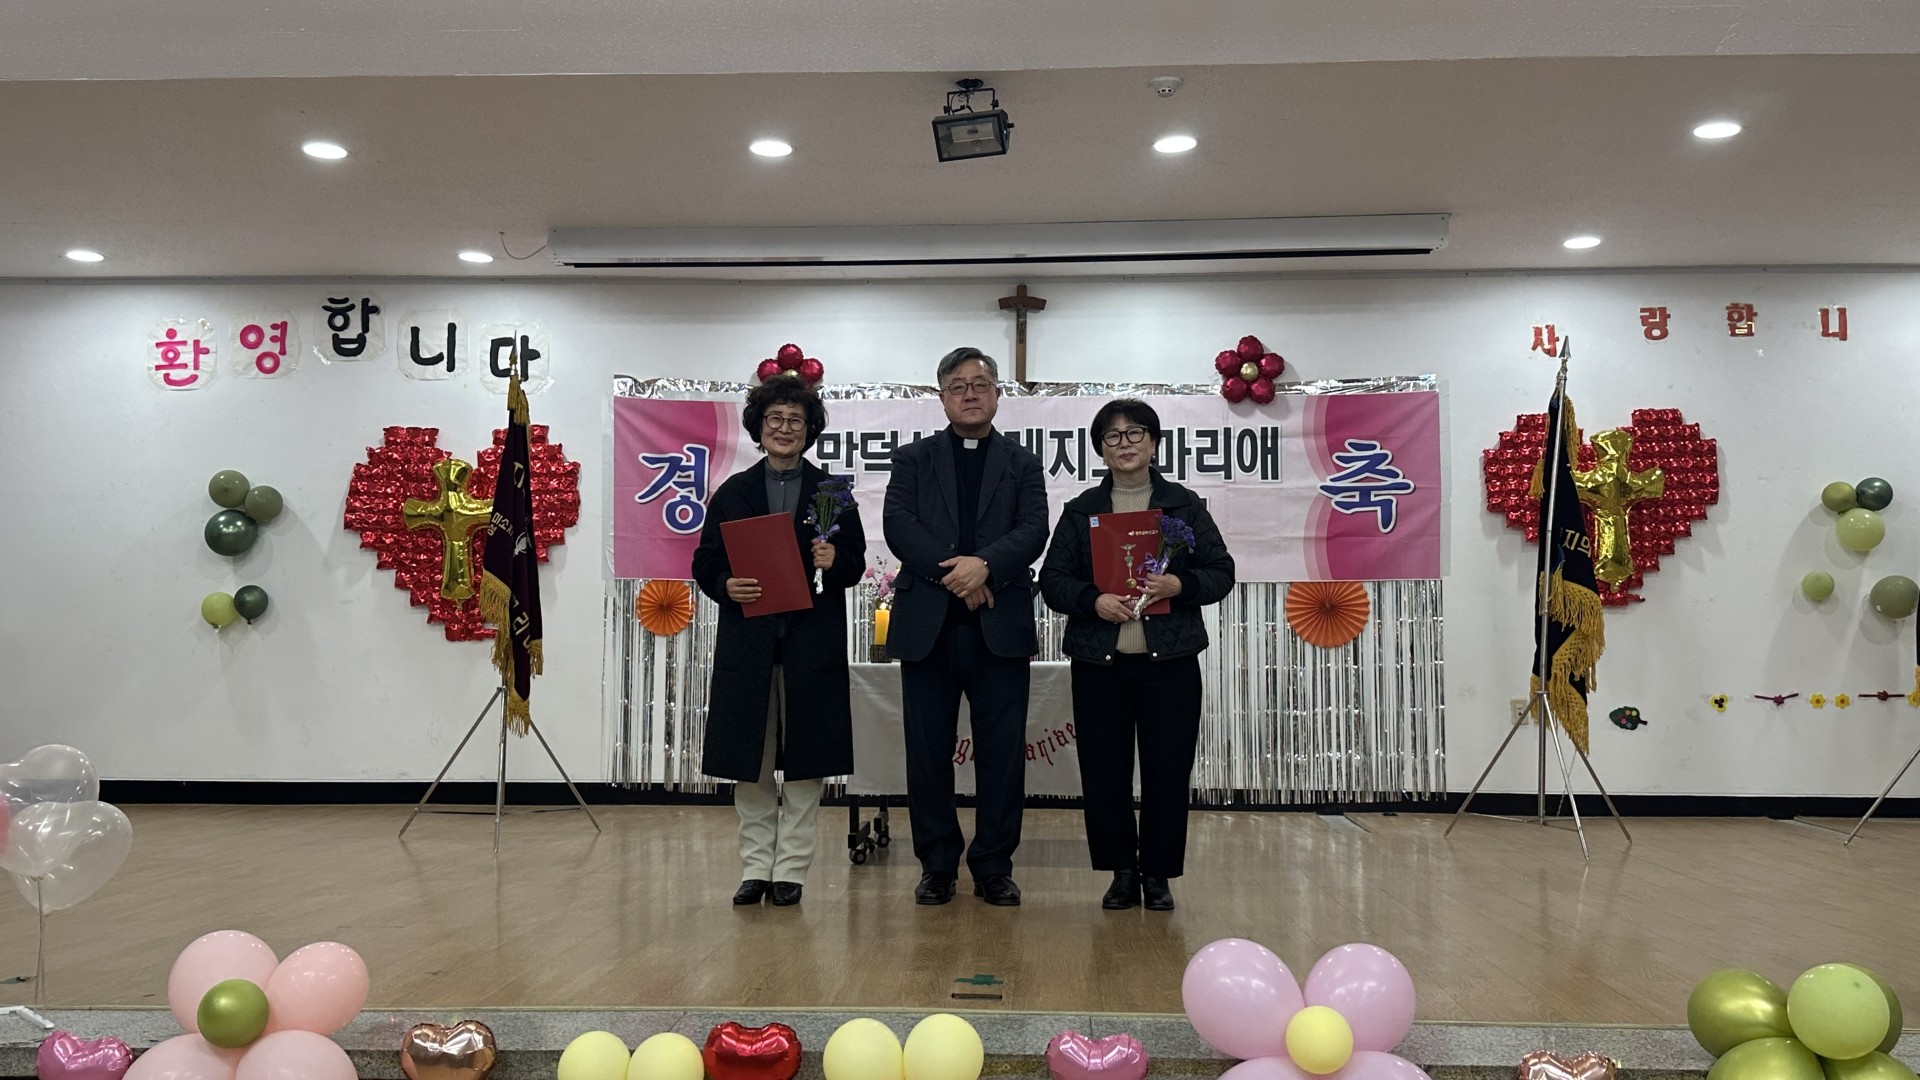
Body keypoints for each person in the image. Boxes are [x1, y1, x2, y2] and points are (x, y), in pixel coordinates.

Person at [1039, 398, 1235, 911]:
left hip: (1169, 664)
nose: (1124, 444)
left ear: (1153, 442)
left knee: (1167, 769)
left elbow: (1221, 572)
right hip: (1100, 663)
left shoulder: (1183, 506)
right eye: (1112, 436)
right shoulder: (1082, 510)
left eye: (1135, 433)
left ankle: (1158, 873)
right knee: (1104, 770)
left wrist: (1179, 584)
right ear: (1100, 449)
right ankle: (1121, 871)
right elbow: (1053, 581)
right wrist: (1092, 601)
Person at [883, 347, 1049, 906]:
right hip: (928, 627)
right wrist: (962, 575)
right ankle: (937, 864)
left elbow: (1034, 528)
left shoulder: (1023, 462)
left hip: (999, 628)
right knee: (927, 752)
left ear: (998, 393)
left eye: (980, 383)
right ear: (942, 397)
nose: (970, 393)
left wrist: (987, 566)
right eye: (958, 385)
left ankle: (994, 865)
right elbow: (899, 524)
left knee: (1002, 753)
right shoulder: (913, 459)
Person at [692, 378, 865, 908]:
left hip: (811, 645)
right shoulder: (733, 492)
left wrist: (836, 561)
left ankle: (791, 869)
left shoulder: (832, 492)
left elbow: (856, 563)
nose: (785, 428)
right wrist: (725, 585)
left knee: (807, 764)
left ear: (810, 430)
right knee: (752, 762)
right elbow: (705, 561)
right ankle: (755, 868)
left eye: (795, 420)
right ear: (759, 427)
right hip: (750, 645)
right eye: (775, 419)